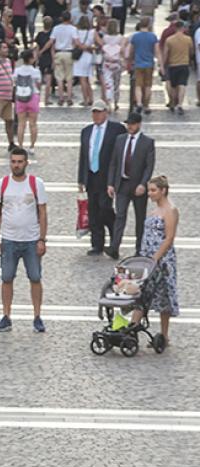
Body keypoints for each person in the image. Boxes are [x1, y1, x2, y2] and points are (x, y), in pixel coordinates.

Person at [0, 147, 48, 334]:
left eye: (19, 162)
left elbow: (42, 212)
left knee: (35, 277)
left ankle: (37, 316)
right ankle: (6, 316)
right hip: (9, 239)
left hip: (31, 240)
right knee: (7, 278)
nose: (16, 165)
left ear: (26, 163)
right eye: (13, 161)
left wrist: (42, 238)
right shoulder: (2, 184)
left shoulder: (35, 183)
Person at [132, 175, 179, 344]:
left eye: (153, 190)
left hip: (162, 261)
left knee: (163, 296)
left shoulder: (170, 210)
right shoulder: (155, 209)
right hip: (147, 258)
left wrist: (155, 258)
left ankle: (164, 335)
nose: (150, 194)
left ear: (163, 191)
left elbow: (169, 237)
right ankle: (132, 328)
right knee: (141, 292)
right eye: (149, 190)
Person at [77, 100, 126, 257]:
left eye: (99, 112)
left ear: (106, 112)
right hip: (91, 176)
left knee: (105, 208)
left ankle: (114, 237)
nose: (96, 115)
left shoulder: (116, 129)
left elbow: (120, 154)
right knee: (93, 210)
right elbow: (83, 156)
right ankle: (97, 244)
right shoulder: (86, 131)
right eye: (94, 112)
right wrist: (81, 178)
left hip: (107, 176)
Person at [107, 112, 155, 256]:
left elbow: (149, 166)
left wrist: (143, 184)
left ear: (139, 124)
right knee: (120, 216)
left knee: (140, 218)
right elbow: (114, 163)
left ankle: (139, 249)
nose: (130, 127)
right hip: (122, 184)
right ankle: (114, 247)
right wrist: (111, 183)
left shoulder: (147, 142)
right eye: (128, 124)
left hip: (138, 186)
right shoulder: (120, 140)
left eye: (133, 124)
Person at [128, 17, 159, 115]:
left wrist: (129, 61)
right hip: (149, 64)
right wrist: (159, 63)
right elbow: (157, 51)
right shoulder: (153, 36)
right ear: (149, 25)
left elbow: (131, 51)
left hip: (138, 64)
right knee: (148, 86)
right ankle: (146, 105)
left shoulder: (135, 36)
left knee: (138, 85)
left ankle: (139, 103)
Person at [163, 21, 192, 115]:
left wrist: (163, 65)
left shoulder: (169, 40)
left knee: (173, 85)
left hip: (172, 65)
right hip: (184, 64)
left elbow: (165, 54)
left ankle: (172, 102)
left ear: (175, 28)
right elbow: (191, 52)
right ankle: (180, 104)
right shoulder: (188, 39)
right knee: (182, 84)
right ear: (183, 28)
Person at [14, 49, 41, 151]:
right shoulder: (35, 71)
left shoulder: (17, 70)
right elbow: (39, 84)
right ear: (31, 59)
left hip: (20, 97)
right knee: (33, 123)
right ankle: (32, 146)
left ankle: (20, 145)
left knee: (21, 124)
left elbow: (14, 81)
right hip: (33, 96)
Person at [50, 12, 78, 106]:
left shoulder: (56, 28)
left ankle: (61, 98)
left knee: (59, 78)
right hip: (69, 53)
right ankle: (69, 98)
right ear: (70, 18)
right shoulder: (73, 29)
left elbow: (52, 41)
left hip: (58, 52)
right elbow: (76, 41)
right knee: (69, 78)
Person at [72, 16, 98, 106]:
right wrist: (91, 47)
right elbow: (100, 43)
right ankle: (91, 98)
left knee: (82, 79)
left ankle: (85, 99)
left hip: (80, 57)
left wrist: (83, 47)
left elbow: (75, 44)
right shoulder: (92, 32)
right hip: (89, 56)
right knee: (87, 79)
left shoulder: (76, 32)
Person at [100, 18, 125, 111]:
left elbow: (102, 48)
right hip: (117, 63)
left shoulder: (105, 38)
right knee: (117, 83)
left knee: (108, 83)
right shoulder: (120, 37)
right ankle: (116, 102)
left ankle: (108, 102)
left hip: (107, 63)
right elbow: (122, 50)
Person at [35, 16, 55, 108]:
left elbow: (37, 47)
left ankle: (37, 99)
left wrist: (36, 58)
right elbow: (52, 49)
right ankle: (46, 100)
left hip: (41, 59)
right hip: (48, 58)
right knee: (48, 81)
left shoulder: (39, 35)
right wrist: (54, 61)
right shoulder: (52, 35)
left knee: (39, 80)